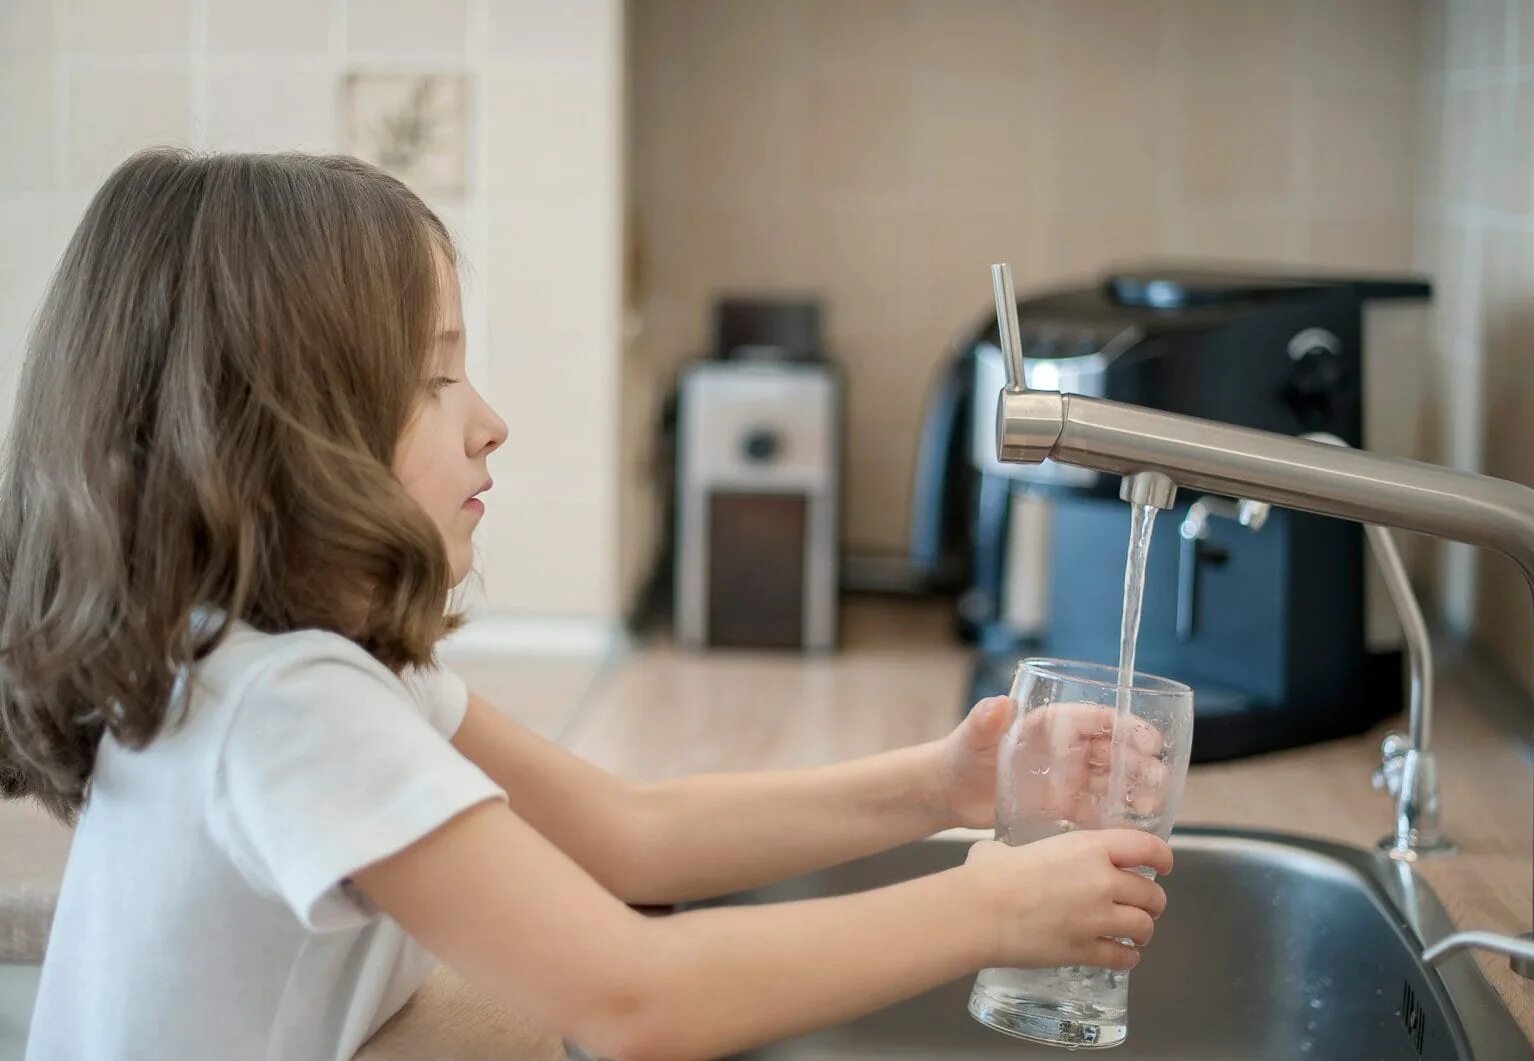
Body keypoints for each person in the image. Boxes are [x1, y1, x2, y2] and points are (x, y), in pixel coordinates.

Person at [0, 149, 1171, 1061]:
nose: (488, 418)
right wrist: (986, 911)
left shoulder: (287, 650)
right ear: (281, 429)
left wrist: (944, 786)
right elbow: (633, 997)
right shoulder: (284, 703)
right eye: (432, 375)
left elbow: (626, 834)